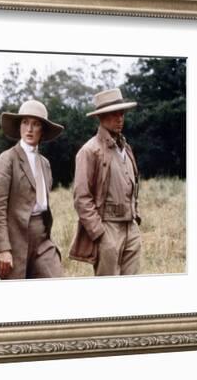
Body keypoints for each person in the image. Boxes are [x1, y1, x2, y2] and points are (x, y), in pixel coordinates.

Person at [0, 100, 64, 280]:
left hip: (42, 238)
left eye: (36, 124)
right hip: (14, 239)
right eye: (25, 122)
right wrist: (3, 248)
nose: (29, 129)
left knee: (57, 284)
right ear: (19, 126)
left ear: (43, 130)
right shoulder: (7, 160)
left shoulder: (45, 164)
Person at [69, 88, 142, 276]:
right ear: (101, 117)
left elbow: (133, 185)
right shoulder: (89, 151)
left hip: (131, 226)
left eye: (122, 113)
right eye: (114, 113)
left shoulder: (126, 148)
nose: (120, 118)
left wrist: (135, 216)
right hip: (107, 227)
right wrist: (99, 233)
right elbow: (81, 198)